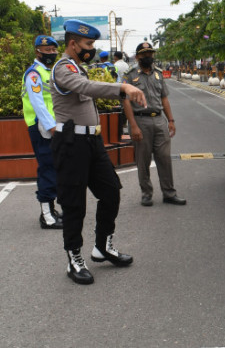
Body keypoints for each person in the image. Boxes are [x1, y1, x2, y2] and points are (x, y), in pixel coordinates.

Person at [50, 19, 148, 285]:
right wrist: (122, 87)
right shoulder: (62, 69)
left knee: (110, 192)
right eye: (88, 44)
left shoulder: (77, 68)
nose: (91, 49)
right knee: (74, 205)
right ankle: (74, 258)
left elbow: (87, 89)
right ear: (73, 44)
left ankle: (103, 246)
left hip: (92, 143)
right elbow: (87, 88)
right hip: (71, 145)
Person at [122, 42, 186, 207]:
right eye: (144, 55)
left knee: (164, 158)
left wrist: (171, 120)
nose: (148, 57)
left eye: (150, 54)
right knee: (142, 159)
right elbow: (126, 102)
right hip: (140, 120)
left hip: (159, 120)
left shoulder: (158, 74)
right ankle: (146, 193)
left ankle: (169, 193)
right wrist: (133, 125)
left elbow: (164, 98)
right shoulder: (129, 75)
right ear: (137, 57)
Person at [22, 35, 63, 230]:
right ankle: (46, 216)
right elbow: (38, 103)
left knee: (53, 166)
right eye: (47, 51)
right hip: (42, 126)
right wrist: (52, 127)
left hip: (51, 126)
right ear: (38, 51)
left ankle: (51, 210)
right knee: (48, 167)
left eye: (53, 51)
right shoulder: (34, 74)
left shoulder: (47, 72)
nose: (51, 54)